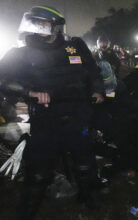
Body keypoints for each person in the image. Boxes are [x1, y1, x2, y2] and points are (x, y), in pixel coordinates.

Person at [0, 6, 105, 219]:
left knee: (85, 164)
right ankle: (27, 212)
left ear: (55, 26)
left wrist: (98, 90)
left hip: (78, 116)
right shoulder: (20, 54)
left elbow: (93, 71)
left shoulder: (75, 46)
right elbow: (3, 81)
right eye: (34, 24)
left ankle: (90, 200)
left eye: (43, 24)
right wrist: (30, 92)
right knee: (38, 173)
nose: (37, 30)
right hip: (46, 119)